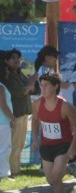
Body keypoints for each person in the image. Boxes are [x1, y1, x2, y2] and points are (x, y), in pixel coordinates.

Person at [30, 73, 76, 193]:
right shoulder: (37, 104)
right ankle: (69, 168)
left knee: (56, 176)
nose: (43, 88)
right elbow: (35, 121)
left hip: (63, 145)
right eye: (41, 85)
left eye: (46, 85)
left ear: (55, 87)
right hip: (46, 145)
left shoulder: (65, 106)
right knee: (51, 180)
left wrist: (73, 147)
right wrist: (35, 139)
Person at [3, 48, 38, 178]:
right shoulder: (8, 76)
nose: (16, 60)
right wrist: (32, 81)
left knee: (21, 144)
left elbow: (31, 90)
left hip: (24, 113)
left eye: (18, 58)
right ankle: (13, 172)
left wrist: (31, 83)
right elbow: (19, 92)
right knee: (14, 144)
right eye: (13, 58)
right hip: (15, 114)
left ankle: (17, 170)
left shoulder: (20, 73)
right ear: (6, 61)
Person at [0, 52, 16, 182]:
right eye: (5, 70)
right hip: (3, 122)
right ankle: (3, 174)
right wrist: (12, 118)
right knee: (5, 149)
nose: (7, 73)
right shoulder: (0, 87)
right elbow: (4, 106)